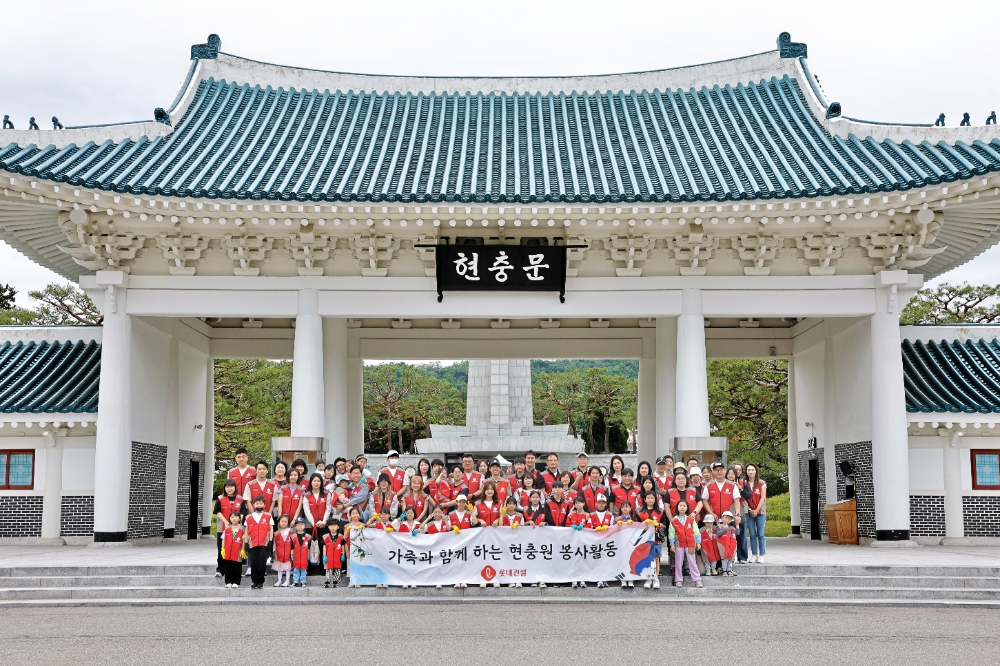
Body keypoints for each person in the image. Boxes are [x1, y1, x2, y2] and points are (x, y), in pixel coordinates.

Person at [668, 500, 703, 589]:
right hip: (679, 543)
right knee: (678, 562)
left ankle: (697, 580)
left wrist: (698, 542)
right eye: (680, 505)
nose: (682, 507)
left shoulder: (691, 519)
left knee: (692, 562)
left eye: (684, 506)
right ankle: (678, 580)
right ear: (677, 507)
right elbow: (671, 533)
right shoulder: (674, 520)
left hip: (690, 544)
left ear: (687, 508)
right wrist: (672, 544)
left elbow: (696, 531)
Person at [214, 479, 245, 577]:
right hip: (223, 527)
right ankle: (220, 569)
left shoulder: (240, 499)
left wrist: (238, 522)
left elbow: (243, 512)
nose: (229, 489)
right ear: (225, 488)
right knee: (222, 548)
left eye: (231, 486)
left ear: (235, 487)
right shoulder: (220, 498)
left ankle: (236, 569)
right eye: (227, 487)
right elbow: (217, 511)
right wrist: (226, 521)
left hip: (237, 528)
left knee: (237, 547)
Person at [637, 490, 666, 588]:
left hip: (656, 538)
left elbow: (664, 524)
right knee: (646, 558)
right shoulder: (641, 512)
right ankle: (648, 578)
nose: (650, 500)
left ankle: (656, 578)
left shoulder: (660, 512)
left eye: (652, 498)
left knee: (656, 558)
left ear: (655, 499)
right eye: (648, 498)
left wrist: (657, 524)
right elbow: (636, 525)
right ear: (644, 500)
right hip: (645, 539)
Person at [244, 495, 273, 589]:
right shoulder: (248, 517)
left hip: (264, 543)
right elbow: (246, 531)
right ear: (253, 505)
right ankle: (254, 581)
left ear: (264, 505)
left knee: (262, 563)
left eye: (261, 503)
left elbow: (271, 529)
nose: (259, 505)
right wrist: (245, 543)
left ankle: (261, 581)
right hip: (252, 543)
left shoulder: (268, 516)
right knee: (254, 563)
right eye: (257, 503)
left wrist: (271, 541)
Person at [702, 462, 740, 536]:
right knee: (714, 540)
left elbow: (737, 500)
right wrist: (711, 513)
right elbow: (705, 501)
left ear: (725, 471)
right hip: (714, 519)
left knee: (728, 540)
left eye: (721, 469)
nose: (719, 472)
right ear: (713, 472)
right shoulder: (709, 485)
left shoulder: (732, 485)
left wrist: (737, 515)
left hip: (729, 519)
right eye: (716, 470)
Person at [743, 463, 767, 563]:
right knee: (752, 534)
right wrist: (749, 509)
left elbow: (762, 497)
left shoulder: (761, 483)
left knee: (760, 534)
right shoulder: (744, 483)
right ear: (746, 472)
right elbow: (744, 498)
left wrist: (757, 510)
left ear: (756, 471)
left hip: (760, 512)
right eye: (748, 470)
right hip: (749, 512)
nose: (750, 472)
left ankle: (762, 554)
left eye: (752, 470)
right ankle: (754, 554)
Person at [220, 510, 245, 588]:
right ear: (229, 518)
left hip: (237, 551)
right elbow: (223, 539)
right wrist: (222, 549)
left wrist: (243, 549)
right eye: (232, 517)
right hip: (228, 551)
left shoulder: (242, 529)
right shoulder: (227, 528)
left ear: (239, 518)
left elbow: (244, 540)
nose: (234, 518)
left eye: (236, 517)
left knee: (237, 567)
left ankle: (236, 582)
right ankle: (228, 582)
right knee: (228, 567)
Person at [730, 463, 749, 563]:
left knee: (741, 535)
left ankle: (742, 557)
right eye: (735, 469)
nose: (737, 471)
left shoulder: (744, 482)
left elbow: (749, 495)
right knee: (729, 535)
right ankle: (730, 556)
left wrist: (741, 488)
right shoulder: (725, 482)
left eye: (739, 470)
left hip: (741, 510)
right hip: (728, 511)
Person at [272, 515, 293, 587]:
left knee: (287, 567)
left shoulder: (291, 532)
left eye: (286, 522)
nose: (284, 523)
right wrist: (274, 551)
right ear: (279, 522)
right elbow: (274, 544)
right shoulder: (276, 533)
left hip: (288, 553)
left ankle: (287, 580)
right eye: (282, 521)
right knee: (279, 568)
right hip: (279, 553)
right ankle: (279, 580)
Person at [290, 517, 311, 587]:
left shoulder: (307, 536)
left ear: (304, 525)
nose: (300, 526)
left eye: (302, 524)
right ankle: (295, 581)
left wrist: (308, 554)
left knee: (303, 569)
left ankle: (303, 581)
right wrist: (292, 555)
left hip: (304, 556)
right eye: (298, 524)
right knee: (296, 569)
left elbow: (309, 547)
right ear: (295, 526)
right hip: (296, 556)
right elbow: (291, 547)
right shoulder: (293, 536)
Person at [323, 522, 345, 588]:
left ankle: (335, 582)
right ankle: (327, 581)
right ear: (328, 527)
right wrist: (324, 555)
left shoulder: (341, 536)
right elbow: (324, 546)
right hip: (329, 556)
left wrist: (343, 554)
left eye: (334, 525)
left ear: (338, 527)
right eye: (331, 525)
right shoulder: (326, 536)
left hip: (337, 556)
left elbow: (342, 545)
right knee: (328, 569)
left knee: (337, 569)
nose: (332, 527)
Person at [717, 511, 738, 576]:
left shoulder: (731, 528)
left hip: (730, 545)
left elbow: (737, 533)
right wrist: (724, 529)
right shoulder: (719, 526)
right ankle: (724, 570)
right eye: (726, 518)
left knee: (730, 557)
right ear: (722, 518)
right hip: (723, 545)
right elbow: (718, 534)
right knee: (724, 557)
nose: (727, 520)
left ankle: (729, 569)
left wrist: (737, 525)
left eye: (729, 519)